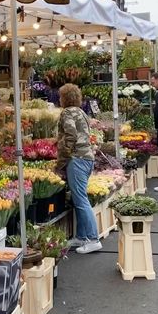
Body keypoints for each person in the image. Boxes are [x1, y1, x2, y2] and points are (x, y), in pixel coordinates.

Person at [56, 83, 102, 254]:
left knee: (81, 199)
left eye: (61, 96)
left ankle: (92, 238)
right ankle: (82, 237)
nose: (59, 99)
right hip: (87, 158)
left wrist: (64, 154)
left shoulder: (67, 113)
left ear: (64, 98)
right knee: (79, 198)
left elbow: (71, 134)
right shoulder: (81, 112)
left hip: (77, 159)